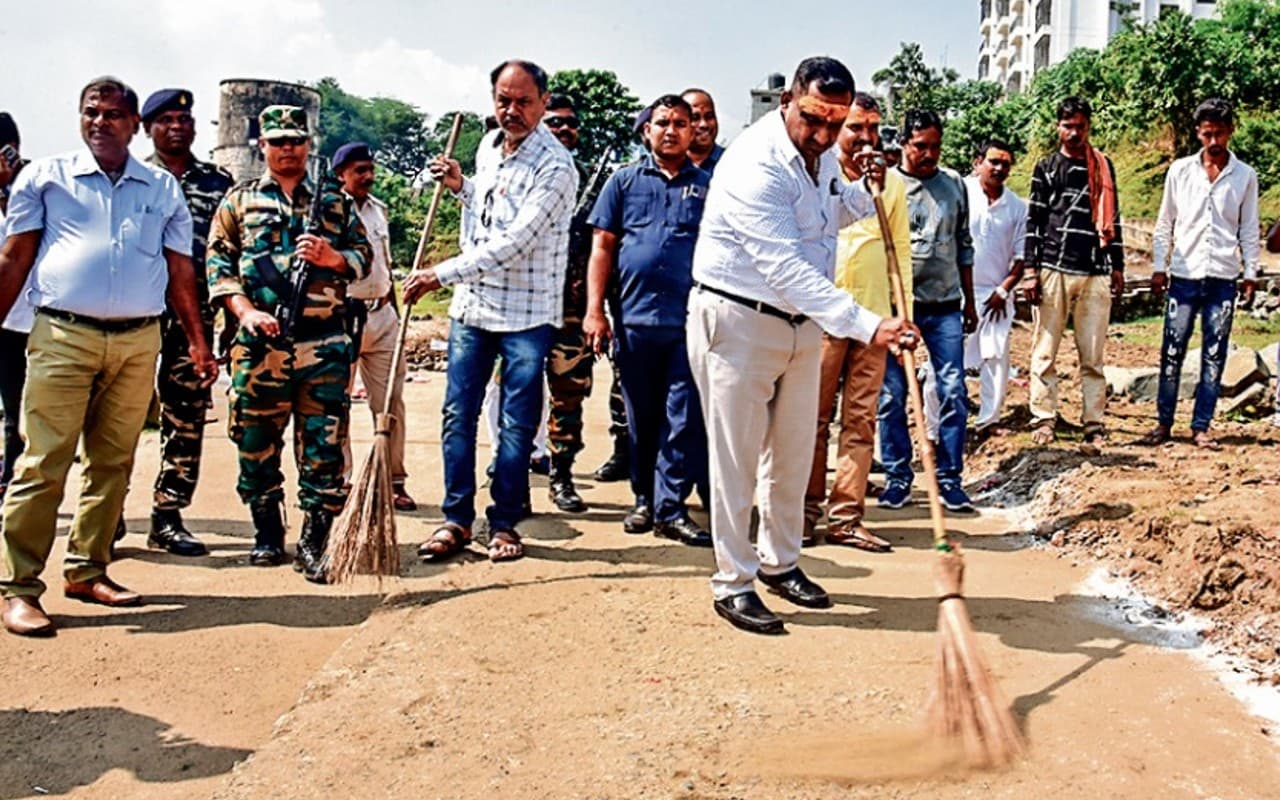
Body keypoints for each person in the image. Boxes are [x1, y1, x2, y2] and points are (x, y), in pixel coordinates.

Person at [688, 56, 915, 635]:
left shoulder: (822, 158)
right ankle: (733, 582)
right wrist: (869, 324)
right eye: (813, 119)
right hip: (739, 321)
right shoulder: (756, 162)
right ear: (788, 99)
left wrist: (869, 181)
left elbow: (838, 215)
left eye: (834, 123)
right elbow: (784, 265)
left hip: (799, 326)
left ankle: (780, 561)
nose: (822, 134)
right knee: (736, 463)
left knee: (790, 457)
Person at [0, 77, 215, 636]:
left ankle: (87, 569)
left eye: (114, 114)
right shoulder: (46, 178)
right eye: (92, 112)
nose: (101, 122)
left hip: (139, 339)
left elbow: (180, 270)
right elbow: (15, 258)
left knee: (114, 462)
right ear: (80, 117)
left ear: (133, 124)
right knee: (43, 461)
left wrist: (195, 339)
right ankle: (18, 587)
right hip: (62, 334)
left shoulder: (161, 189)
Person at [403, 59, 577, 564]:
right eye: (504, 99)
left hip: (525, 313)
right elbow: (490, 211)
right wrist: (462, 187)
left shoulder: (557, 166)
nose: (512, 110)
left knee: (517, 422)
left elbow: (517, 240)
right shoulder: (488, 147)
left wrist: (439, 273)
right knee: (458, 414)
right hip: (474, 307)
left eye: (524, 101)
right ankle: (456, 518)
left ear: (543, 103)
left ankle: (503, 522)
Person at [207, 105, 370, 583]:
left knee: (323, 448)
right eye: (277, 141)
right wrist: (246, 312)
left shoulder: (335, 203)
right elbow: (218, 269)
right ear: (262, 145)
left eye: (295, 140)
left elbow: (364, 257)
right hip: (261, 349)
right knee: (255, 444)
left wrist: (333, 257)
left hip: (324, 347)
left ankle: (314, 541)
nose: (287, 148)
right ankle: (266, 533)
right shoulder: (238, 202)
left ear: (307, 144)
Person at [584, 94, 711, 547]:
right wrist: (595, 311)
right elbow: (602, 246)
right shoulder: (623, 182)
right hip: (634, 321)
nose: (672, 130)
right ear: (647, 131)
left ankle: (672, 509)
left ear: (693, 130)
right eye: (663, 123)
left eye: (681, 122)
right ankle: (643, 499)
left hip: (689, 323)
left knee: (682, 418)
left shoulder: (708, 186)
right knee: (641, 418)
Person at [804, 93, 909, 553]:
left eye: (874, 130)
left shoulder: (892, 185)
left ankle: (846, 517)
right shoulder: (817, 174)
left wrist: (904, 319)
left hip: (874, 321)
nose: (866, 139)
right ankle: (803, 514)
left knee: (861, 421)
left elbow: (901, 252)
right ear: (837, 129)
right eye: (856, 129)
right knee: (811, 420)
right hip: (821, 319)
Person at [140, 89, 235, 556]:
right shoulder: (132, 178)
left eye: (185, 118)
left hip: (194, 315)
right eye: (166, 120)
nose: (177, 126)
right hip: (134, 312)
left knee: (187, 415)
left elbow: (231, 251)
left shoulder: (218, 182)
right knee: (117, 418)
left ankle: (167, 515)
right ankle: (107, 514)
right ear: (147, 128)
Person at [1141, 98, 1259, 450]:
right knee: (1172, 351)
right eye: (1207, 134)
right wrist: (1160, 266)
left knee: (1214, 353)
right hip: (1184, 276)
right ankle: (1163, 424)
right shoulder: (1180, 171)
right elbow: (1165, 224)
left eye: (1220, 133)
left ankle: (1201, 426)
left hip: (1223, 277)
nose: (1213, 141)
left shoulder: (1245, 175)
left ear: (1231, 131)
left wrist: (1250, 272)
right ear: (1197, 132)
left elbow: (1249, 229)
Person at [876, 109, 977, 513]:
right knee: (892, 396)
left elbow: (964, 243)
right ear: (904, 144)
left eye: (936, 146)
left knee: (953, 390)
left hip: (946, 307)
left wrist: (968, 298)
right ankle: (898, 477)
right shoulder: (888, 184)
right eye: (921, 146)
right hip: (898, 308)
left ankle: (950, 479)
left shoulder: (954, 185)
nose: (929, 153)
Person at [1025, 96, 1125, 449]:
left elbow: (1113, 220)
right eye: (1068, 126)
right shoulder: (1047, 167)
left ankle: (1094, 423)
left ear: (1088, 127)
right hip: (1053, 268)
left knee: (1093, 355)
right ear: (1058, 127)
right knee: (1045, 351)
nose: (1073, 133)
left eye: (1080, 126)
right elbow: (1034, 222)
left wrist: (1118, 266)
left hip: (1096, 270)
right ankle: (1044, 417)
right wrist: (1030, 271)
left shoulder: (1103, 167)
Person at [332, 141, 417, 510]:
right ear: (341, 175)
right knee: (335, 404)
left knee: (390, 403)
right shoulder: (329, 212)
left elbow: (384, 264)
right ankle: (341, 480)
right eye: (358, 171)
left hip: (382, 315)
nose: (367, 176)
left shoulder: (379, 210)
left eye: (370, 169)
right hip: (341, 316)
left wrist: (396, 311)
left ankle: (393, 479)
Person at [542, 93, 596, 512]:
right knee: (516, 399)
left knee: (569, 397)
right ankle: (512, 478)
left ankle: (561, 475)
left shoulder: (590, 181)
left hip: (573, 309)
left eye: (569, 123)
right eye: (553, 123)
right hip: (524, 308)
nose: (563, 130)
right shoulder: (522, 174)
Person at [963, 139, 1027, 437]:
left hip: (997, 294)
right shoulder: (960, 193)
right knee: (947, 360)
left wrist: (1003, 290)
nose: (999, 168)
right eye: (993, 162)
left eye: (1005, 164)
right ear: (978, 163)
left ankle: (989, 420)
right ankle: (936, 428)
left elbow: (1021, 256)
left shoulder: (1016, 207)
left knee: (996, 357)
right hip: (958, 292)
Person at [0, 112, 31, 500]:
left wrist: (7, 189)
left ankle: (11, 479)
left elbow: (22, 241)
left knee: (19, 412)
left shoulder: (30, 188)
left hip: (23, 320)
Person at [682, 88, 724, 174]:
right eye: (695, 118)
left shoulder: (732, 161)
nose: (704, 124)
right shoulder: (668, 165)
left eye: (709, 117)